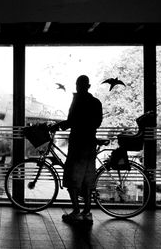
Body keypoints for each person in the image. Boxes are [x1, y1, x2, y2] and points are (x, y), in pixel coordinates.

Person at [57, 75, 103, 224]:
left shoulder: (77, 100)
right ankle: (87, 212)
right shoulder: (96, 102)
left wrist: (59, 125)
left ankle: (76, 211)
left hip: (77, 143)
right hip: (90, 143)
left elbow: (71, 121)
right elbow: (97, 123)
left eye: (78, 85)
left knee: (72, 178)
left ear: (77, 85)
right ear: (88, 86)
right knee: (88, 179)